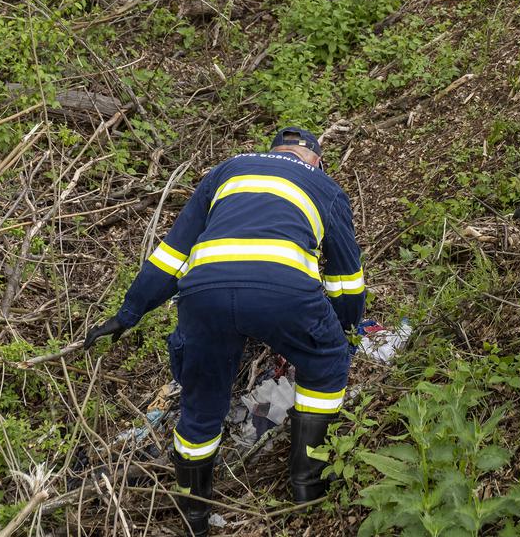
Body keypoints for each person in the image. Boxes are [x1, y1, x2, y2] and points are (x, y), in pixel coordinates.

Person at [83, 128, 366, 535]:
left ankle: (194, 515)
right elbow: (346, 280)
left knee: (201, 406)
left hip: (203, 295)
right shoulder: (324, 186)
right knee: (326, 363)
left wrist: (128, 314)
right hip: (283, 292)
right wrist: (346, 331)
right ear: (316, 160)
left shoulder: (226, 171)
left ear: (273, 152)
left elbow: (170, 256)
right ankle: (307, 488)